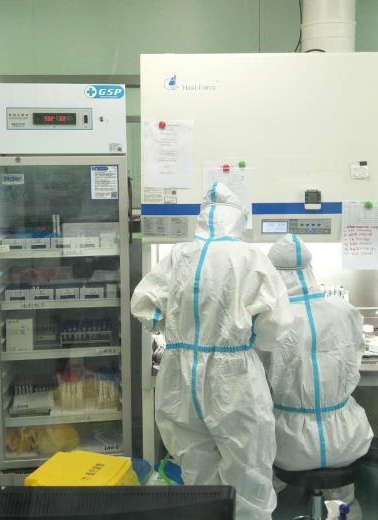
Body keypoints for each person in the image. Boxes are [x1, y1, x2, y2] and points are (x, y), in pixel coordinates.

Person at [131, 182, 293, 520]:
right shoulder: (250, 257)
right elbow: (275, 326)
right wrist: (249, 337)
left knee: (196, 470)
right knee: (248, 471)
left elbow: (146, 306)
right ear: (237, 220)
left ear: (202, 218)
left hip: (179, 374)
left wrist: (174, 329)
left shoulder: (178, 255)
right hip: (234, 376)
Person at [265, 234, 373, 519]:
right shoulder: (344, 311)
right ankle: (343, 507)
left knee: (260, 475)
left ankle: (269, 500)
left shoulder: (271, 319)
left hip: (288, 444)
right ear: (310, 269)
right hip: (345, 439)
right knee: (343, 496)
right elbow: (356, 354)